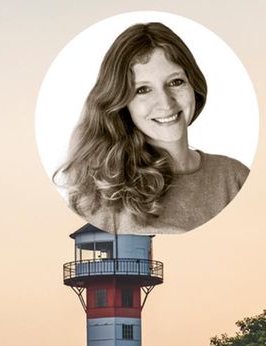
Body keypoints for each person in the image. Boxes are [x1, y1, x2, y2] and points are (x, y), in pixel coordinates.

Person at [55, 21, 248, 235]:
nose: (165, 103)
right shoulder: (104, 196)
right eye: (143, 89)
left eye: (175, 82)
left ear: (193, 84)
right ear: (121, 103)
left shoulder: (235, 177)